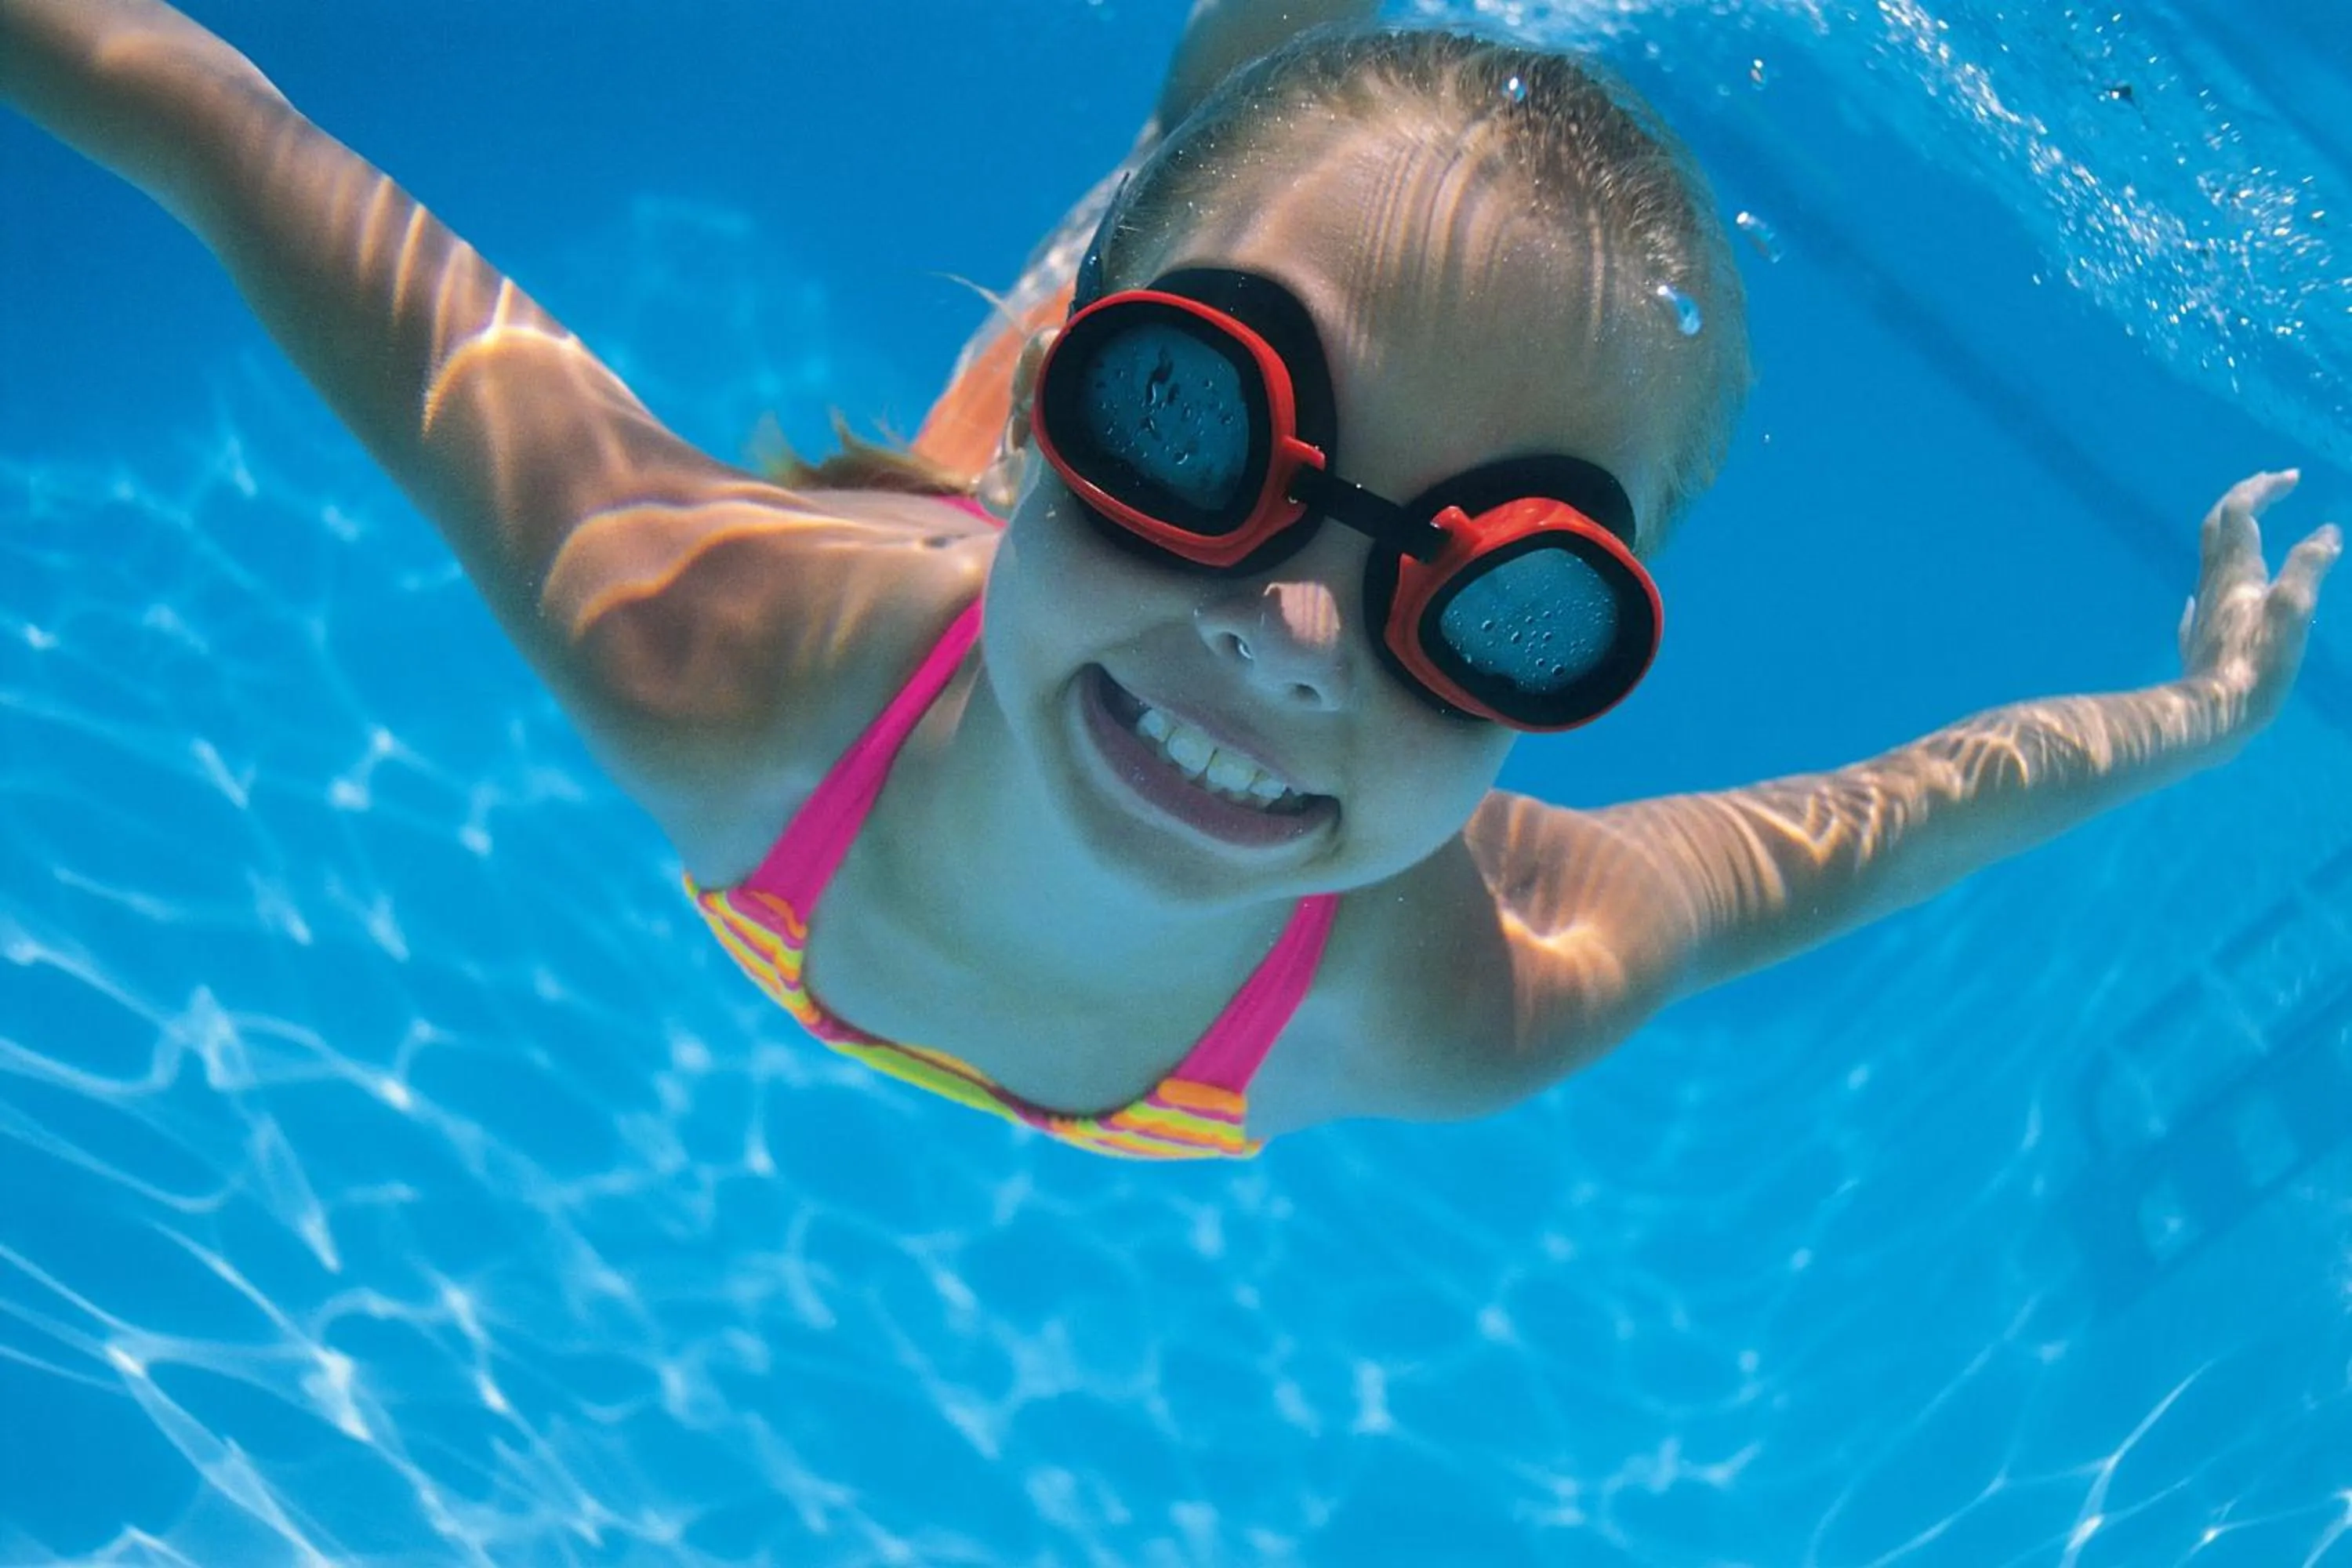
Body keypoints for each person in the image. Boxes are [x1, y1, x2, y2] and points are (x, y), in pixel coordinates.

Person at [2, 0, 2336, 1160]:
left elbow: (1880, 828)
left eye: (1494, 598)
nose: (1301, 635)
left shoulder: (1461, 994)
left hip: (992, 626)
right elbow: (241, 151)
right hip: (917, 618)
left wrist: (2208, 715)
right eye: (1193, 441)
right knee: (1113, 289)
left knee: (1170, 319)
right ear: (1072, 432)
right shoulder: (717, 651)